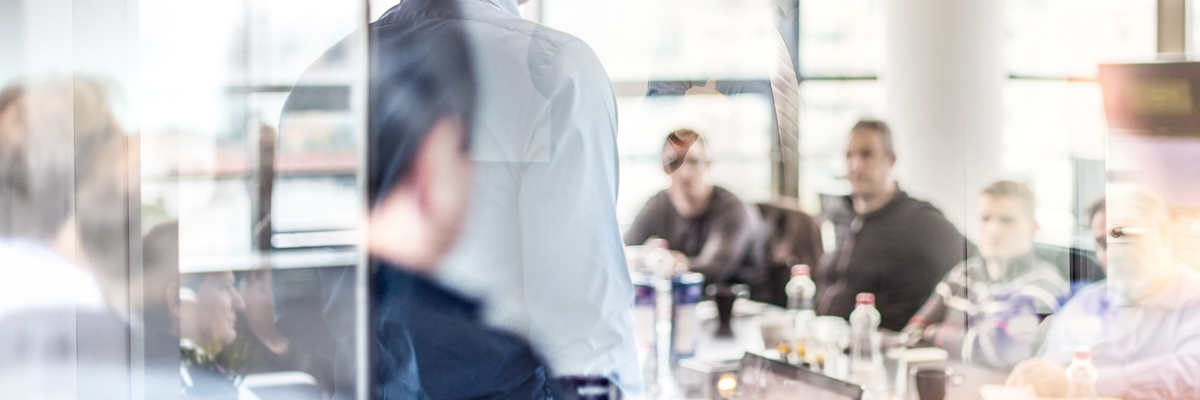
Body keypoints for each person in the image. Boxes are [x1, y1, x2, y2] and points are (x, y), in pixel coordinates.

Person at [1007, 185, 1200, 400]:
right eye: (1103, 243)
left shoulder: (1194, 298)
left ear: (1164, 235)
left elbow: (1192, 375)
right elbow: (1051, 365)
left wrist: (1086, 383)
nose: (1115, 253)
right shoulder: (1084, 304)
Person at [815, 119, 970, 331]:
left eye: (866, 154)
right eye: (849, 155)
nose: (855, 165)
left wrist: (933, 324)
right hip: (825, 342)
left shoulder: (919, 220)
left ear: (891, 160)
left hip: (882, 348)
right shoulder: (841, 213)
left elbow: (973, 264)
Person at [902, 180, 1068, 369]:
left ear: (1032, 227)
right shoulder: (962, 273)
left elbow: (1002, 349)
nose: (993, 230)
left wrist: (932, 333)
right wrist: (969, 340)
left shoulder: (1044, 283)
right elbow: (911, 333)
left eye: (1006, 220)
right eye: (985, 219)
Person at [624, 129, 760, 286]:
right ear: (664, 167)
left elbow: (715, 268)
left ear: (707, 163)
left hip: (737, 302)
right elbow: (624, 250)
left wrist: (673, 263)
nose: (684, 172)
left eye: (693, 161)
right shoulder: (657, 204)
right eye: (673, 162)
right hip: (685, 303)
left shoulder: (731, 208)